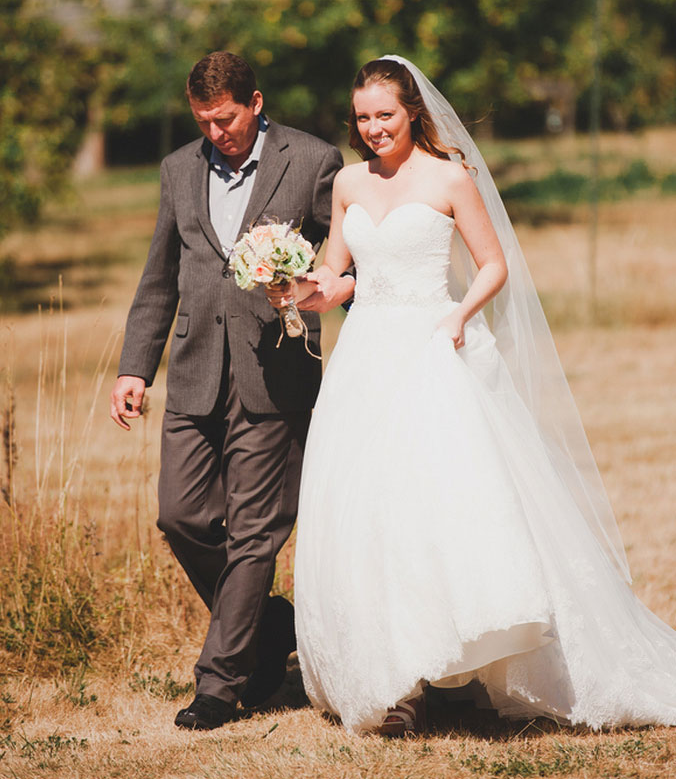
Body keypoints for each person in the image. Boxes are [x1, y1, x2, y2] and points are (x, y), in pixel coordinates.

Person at [285, 55, 676, 735]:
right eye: (363, 117)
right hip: (366, 357)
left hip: (433, 344)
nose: (374, 127)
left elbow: (493, 264)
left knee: (442, 502)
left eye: (386, 114)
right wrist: (298, 290)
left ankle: (459, 661)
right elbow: (338, 276)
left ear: (412, 112)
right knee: (369, 506)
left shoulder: (448, 177)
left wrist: (459, 316)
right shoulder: (347, 183)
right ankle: (393, 674)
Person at [109, 51, 352, 731]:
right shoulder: (177, 170)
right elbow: (160, 275)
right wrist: (135, 367)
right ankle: (271, 624)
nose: (216, 133)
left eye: (226, 119)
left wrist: (332, 308)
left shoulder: (311, 161)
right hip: (192, 371)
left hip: (275, 369)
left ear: (255, 102)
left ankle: (222, 684)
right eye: (204, 122)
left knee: (254, 533)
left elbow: (345, 260)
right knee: (180, 516)